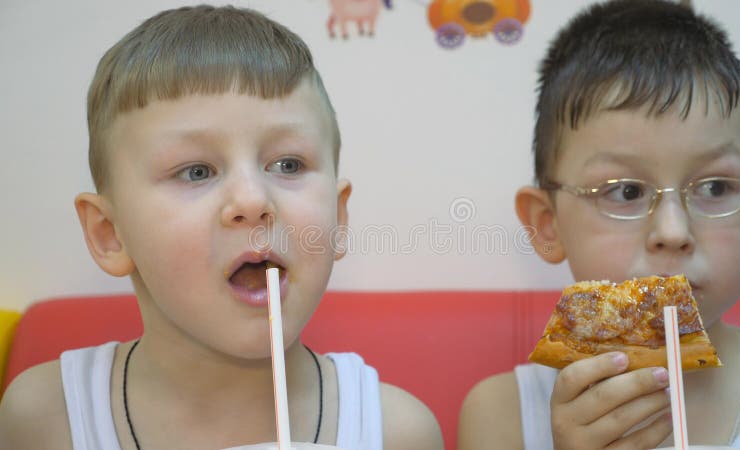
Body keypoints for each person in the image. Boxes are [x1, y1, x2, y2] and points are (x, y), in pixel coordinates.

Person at [0, 5, 443, 450]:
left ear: (339, 219)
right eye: (196, 171)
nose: (252, 201)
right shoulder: (44, 418)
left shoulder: (395, 432)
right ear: (109, 233)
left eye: (287, 164)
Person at [458, 1, 740, 448]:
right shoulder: (502, 414)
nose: (674, 232)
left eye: (715, 188)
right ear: (548, 225)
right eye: (626, 192)